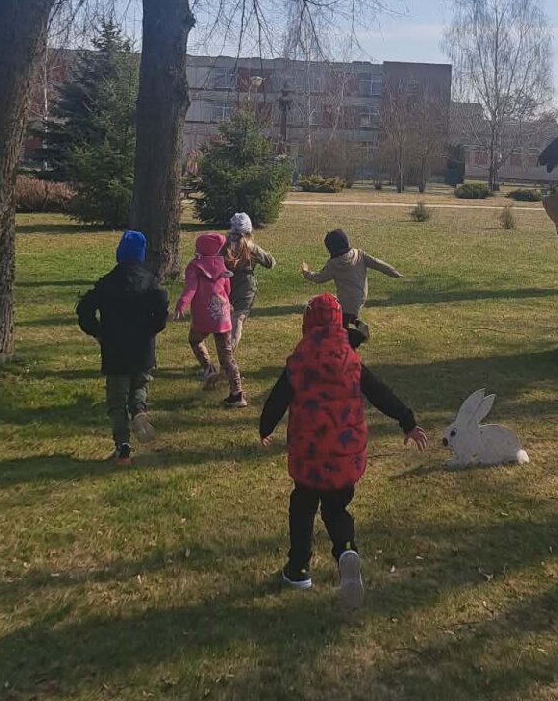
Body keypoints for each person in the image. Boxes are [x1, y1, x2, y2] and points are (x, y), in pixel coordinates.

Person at [259, 292, 428, 606]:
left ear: (307, 323)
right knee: (336, 509)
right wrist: (407, 421)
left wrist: (265, 428)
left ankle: (298, 568)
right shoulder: (351, 358)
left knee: (302, 507)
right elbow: (379, 392)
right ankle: (346, 550)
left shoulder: (299, 359)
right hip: (344, 456)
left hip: (309, 458)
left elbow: (278, 399)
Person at [76, 230, 169, 467]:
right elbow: (161, 310)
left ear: (119, 254)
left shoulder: (106, 283)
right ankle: (138, 410)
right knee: (139, 385)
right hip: (142, 348)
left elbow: (84, 309)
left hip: (114, 349)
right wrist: (151, 330)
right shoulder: (150, 282)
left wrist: (97, 332)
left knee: (116, 401)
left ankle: (123, 447)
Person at [300, 228, 402, 347]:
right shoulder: (359, 254)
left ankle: (360, 336)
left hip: (345, 301)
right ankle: (358, 323)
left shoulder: (333, 264)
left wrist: (306, 272)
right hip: (361, 296)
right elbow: (377, 263)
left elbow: (319, 278)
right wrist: (394, 272)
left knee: (340, 329)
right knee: (349, 316)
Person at [175, 232, 243, 407]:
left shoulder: (194, 266)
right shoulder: (222, 265)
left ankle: (208, 368)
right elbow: (227, 290)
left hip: (203, 316)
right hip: (222, 316)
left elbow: (190, 288)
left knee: (195, 339)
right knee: (227, 357)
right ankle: (237, 393)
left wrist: (181, 304)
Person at [224, 211, 276, 353]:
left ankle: (222, 352)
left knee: (224, 320)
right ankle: (228, 356)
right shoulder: (252, 247)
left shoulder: (224, 245)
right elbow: (270, 263)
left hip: (225, 284)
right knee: (238, 320)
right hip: (245, 288)